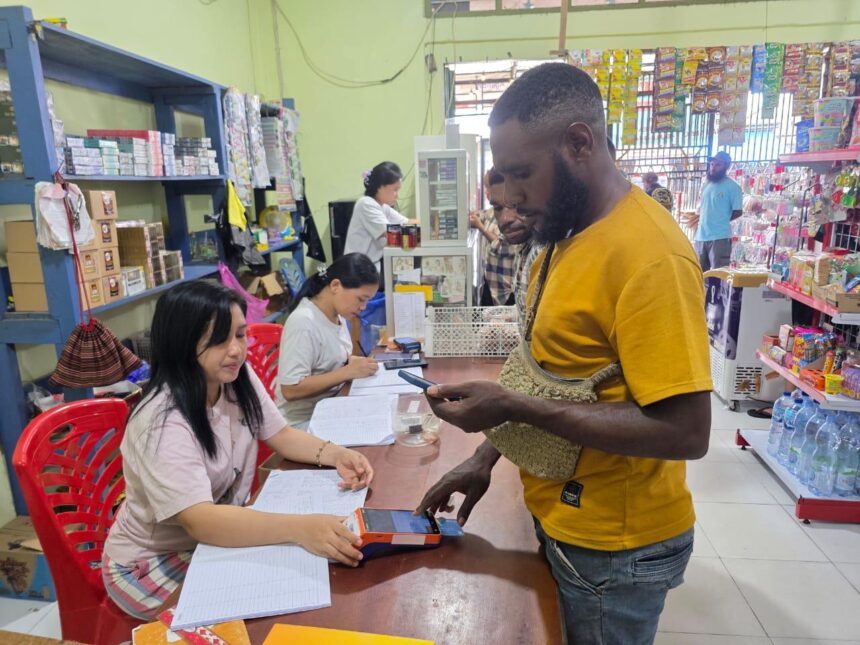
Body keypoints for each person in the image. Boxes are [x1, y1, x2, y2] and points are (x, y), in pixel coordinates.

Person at [415, 63, 711, 644]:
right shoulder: (566, 233)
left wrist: (512, 409)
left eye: (523, 174)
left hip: (613, 547)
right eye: (503, 177)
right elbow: (550, 373)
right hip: (566, 516)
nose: (514, 199)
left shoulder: (650, 258)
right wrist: (485, 456)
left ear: (580, 142)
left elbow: (685, 430)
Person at [102, 281, 373, 619]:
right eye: (219, 340)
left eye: (241, 335)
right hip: (151, 560)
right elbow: (200, 521)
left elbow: (282, 434)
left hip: (208, 539)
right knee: (249, 617)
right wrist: (300, 528)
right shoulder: (161, 421)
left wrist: (336, 454)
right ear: (182, 343)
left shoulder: (233, 376)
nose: (235, 350)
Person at [277, 253, 380, 429]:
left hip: (331, 407)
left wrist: (350, 362)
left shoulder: (337, 315)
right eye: (361, 299)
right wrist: (348, 371)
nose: (363, 307)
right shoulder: (304, 322)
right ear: (335, 285)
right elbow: (290, 390)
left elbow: (329, 357)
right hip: (303, 423)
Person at [486, 170, 542, 329]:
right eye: (497, 208)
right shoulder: (521, 244)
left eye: (515, 205)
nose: (505, 219)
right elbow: (527, 314)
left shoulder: (544, 251)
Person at [344, 161, 409, 271]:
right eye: (395, 190)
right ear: (380, 187)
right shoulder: (366, 204)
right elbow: (391, 233)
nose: (397, 195)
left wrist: (429, 224)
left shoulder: (382, 207)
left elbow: (407, 222)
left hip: (370, 266)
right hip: (357, 269)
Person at [686, 151, 743, 271]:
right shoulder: (706, 184)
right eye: (712, 164)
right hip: (701, 236)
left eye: (718, 165)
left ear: (726, 167)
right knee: (700, 275)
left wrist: (720, 219)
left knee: (719, 275)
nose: (713, 167)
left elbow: (737, 211)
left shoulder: (733, 187)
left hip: (720, 237)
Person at [470, 169, 518, 306]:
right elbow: (481, 215)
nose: (507, 217)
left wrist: (481, 227)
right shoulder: (491, 212)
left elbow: (503, 246)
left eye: (488, 188)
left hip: (506, 288)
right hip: (490, 283)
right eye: (486, 188)